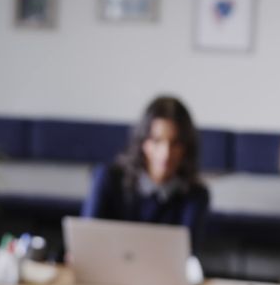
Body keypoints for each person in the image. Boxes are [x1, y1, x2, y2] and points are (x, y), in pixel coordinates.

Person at [81, 96, 210, 251]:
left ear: (186, 148)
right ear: (143, 142)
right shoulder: (107, 178)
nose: (165, 153)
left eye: (175, 143)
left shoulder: (195, 195)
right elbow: (86, 242)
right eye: (156, 141)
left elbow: (186, 254)